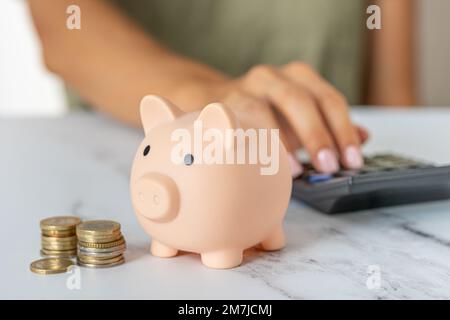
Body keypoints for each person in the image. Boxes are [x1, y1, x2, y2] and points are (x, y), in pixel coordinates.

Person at [28, 0, 415, 175]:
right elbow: (64, 26)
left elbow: (393, 94)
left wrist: (385, 177)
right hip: (108, 151)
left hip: (314, 165)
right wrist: (210, 97)